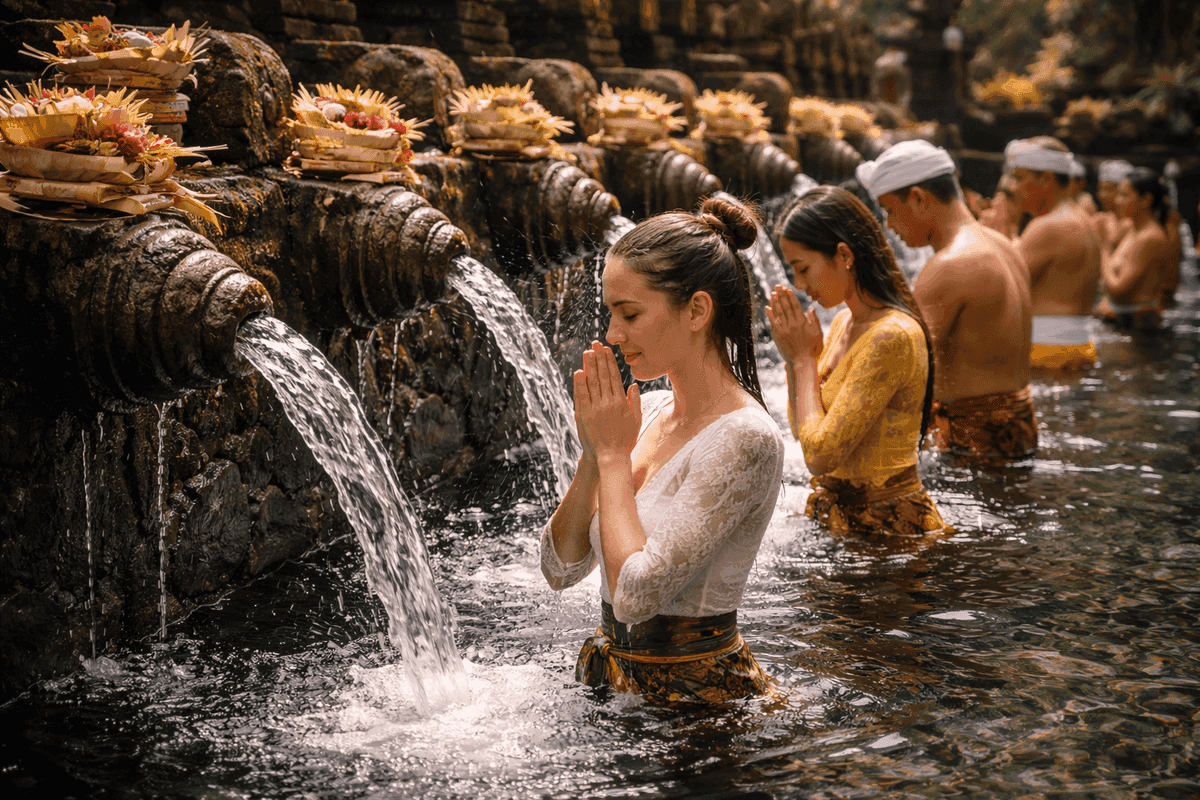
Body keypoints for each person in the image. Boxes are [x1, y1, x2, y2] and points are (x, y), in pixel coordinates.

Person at [540, 195, 785, 704]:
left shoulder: (746, 438)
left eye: (629, 313)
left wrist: (611, 456)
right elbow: (559, 570)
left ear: (697, 310)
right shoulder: (647, 411)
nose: (612, 333)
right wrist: (593, 455)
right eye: (610, 311)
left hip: (700, 708)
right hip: (613, 685)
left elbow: (635, 597)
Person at [767, 185, 944, 539]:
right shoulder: (846, 323)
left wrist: (804, 361)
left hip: (892, 532)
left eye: (803, 268)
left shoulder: (890, 335)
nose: (799, 285)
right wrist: (792, 359)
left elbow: (819, 456)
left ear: (844, 255)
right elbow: (807, 430)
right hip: (850, 529)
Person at [858, 140, 1036, 464]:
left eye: (889, 210)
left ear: (917, 198)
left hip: (973, 439)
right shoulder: (1004, 245)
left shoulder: (950, 266)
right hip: (1019, 426)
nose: (889, 225)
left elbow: (895, 370)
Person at [1007, 137, 1103, 371]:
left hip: (1046, 351)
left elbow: (1000, 286)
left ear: (1047, 179)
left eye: (1020, 178)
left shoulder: (1047, 226)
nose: (1013, 187)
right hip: (1079, 346)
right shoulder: (1084, 220)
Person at [1096, 167, 1173, 331]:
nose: (1117, 201)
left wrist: (1103, 250)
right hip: (1123, 321)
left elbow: (1117, 289)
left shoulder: (1150, 237)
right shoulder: (1132, 228)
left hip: (1138, 327)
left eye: (1125, 195)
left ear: (1146, 199)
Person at [1093, 159, 1135, 250]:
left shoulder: (1135, 224)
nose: (1101, 195)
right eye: (1100, 189)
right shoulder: (1100, 219)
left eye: (1108, 189)